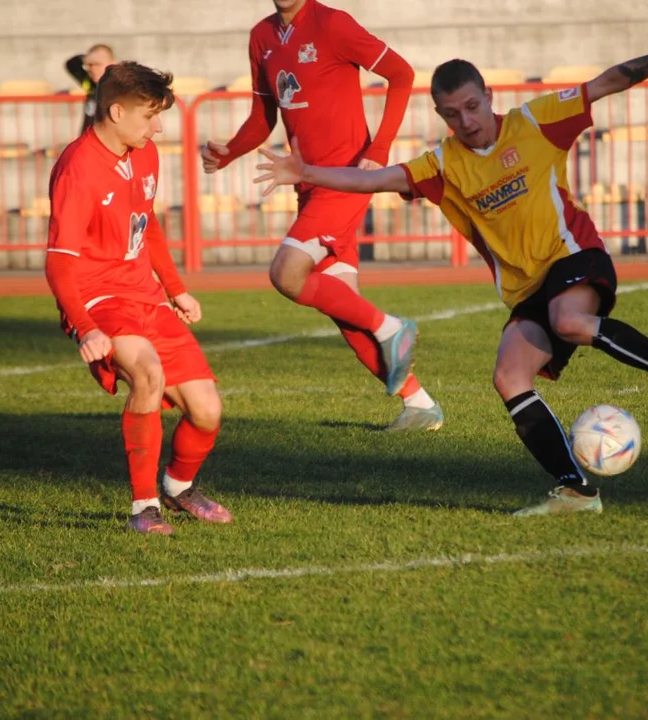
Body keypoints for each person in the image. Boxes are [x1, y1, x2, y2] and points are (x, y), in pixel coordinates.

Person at [254, 29, 648, 515]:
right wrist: (307, 173)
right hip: (527, 289)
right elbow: (371, 180)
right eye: (452, 114)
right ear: (441, 116)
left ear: (489, 95)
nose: (465, 121)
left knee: (570, 322)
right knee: (509, 376)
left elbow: (613, 78)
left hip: (573, 255)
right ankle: (575, 490)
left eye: (472, 106)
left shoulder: (536, 121)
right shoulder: (444, 165)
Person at [201, 0, 442, 432]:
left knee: (287, 273)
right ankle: (419, 404)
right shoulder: (262, 36)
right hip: (307, 183)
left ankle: (391, 327)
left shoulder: (333, 23)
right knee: (342, 304)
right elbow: (263, 117)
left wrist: (379, 149)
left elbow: (402, 74)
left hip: (346, 177)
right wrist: (229, 152)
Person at [46, 61, 232, 535]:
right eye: (150, 115)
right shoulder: (77, 168)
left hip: (146, 296)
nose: (159, 125)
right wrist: (85, 326)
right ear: (115, 111)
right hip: (100, 300)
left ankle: (176, 487)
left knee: (208, 411)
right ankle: (142, 508)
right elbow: (60, 262)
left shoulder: (144, 154)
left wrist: (177, 289)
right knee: (147, 374)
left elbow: (146, 229)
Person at [65, 44, 117, 134]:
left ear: (112, 63)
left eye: (97, 64)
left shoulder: (120, 87)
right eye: (89, 65)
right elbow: (71, 64)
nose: (93, 69)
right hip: (87, 140)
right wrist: (86, 57)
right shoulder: (90, 84)